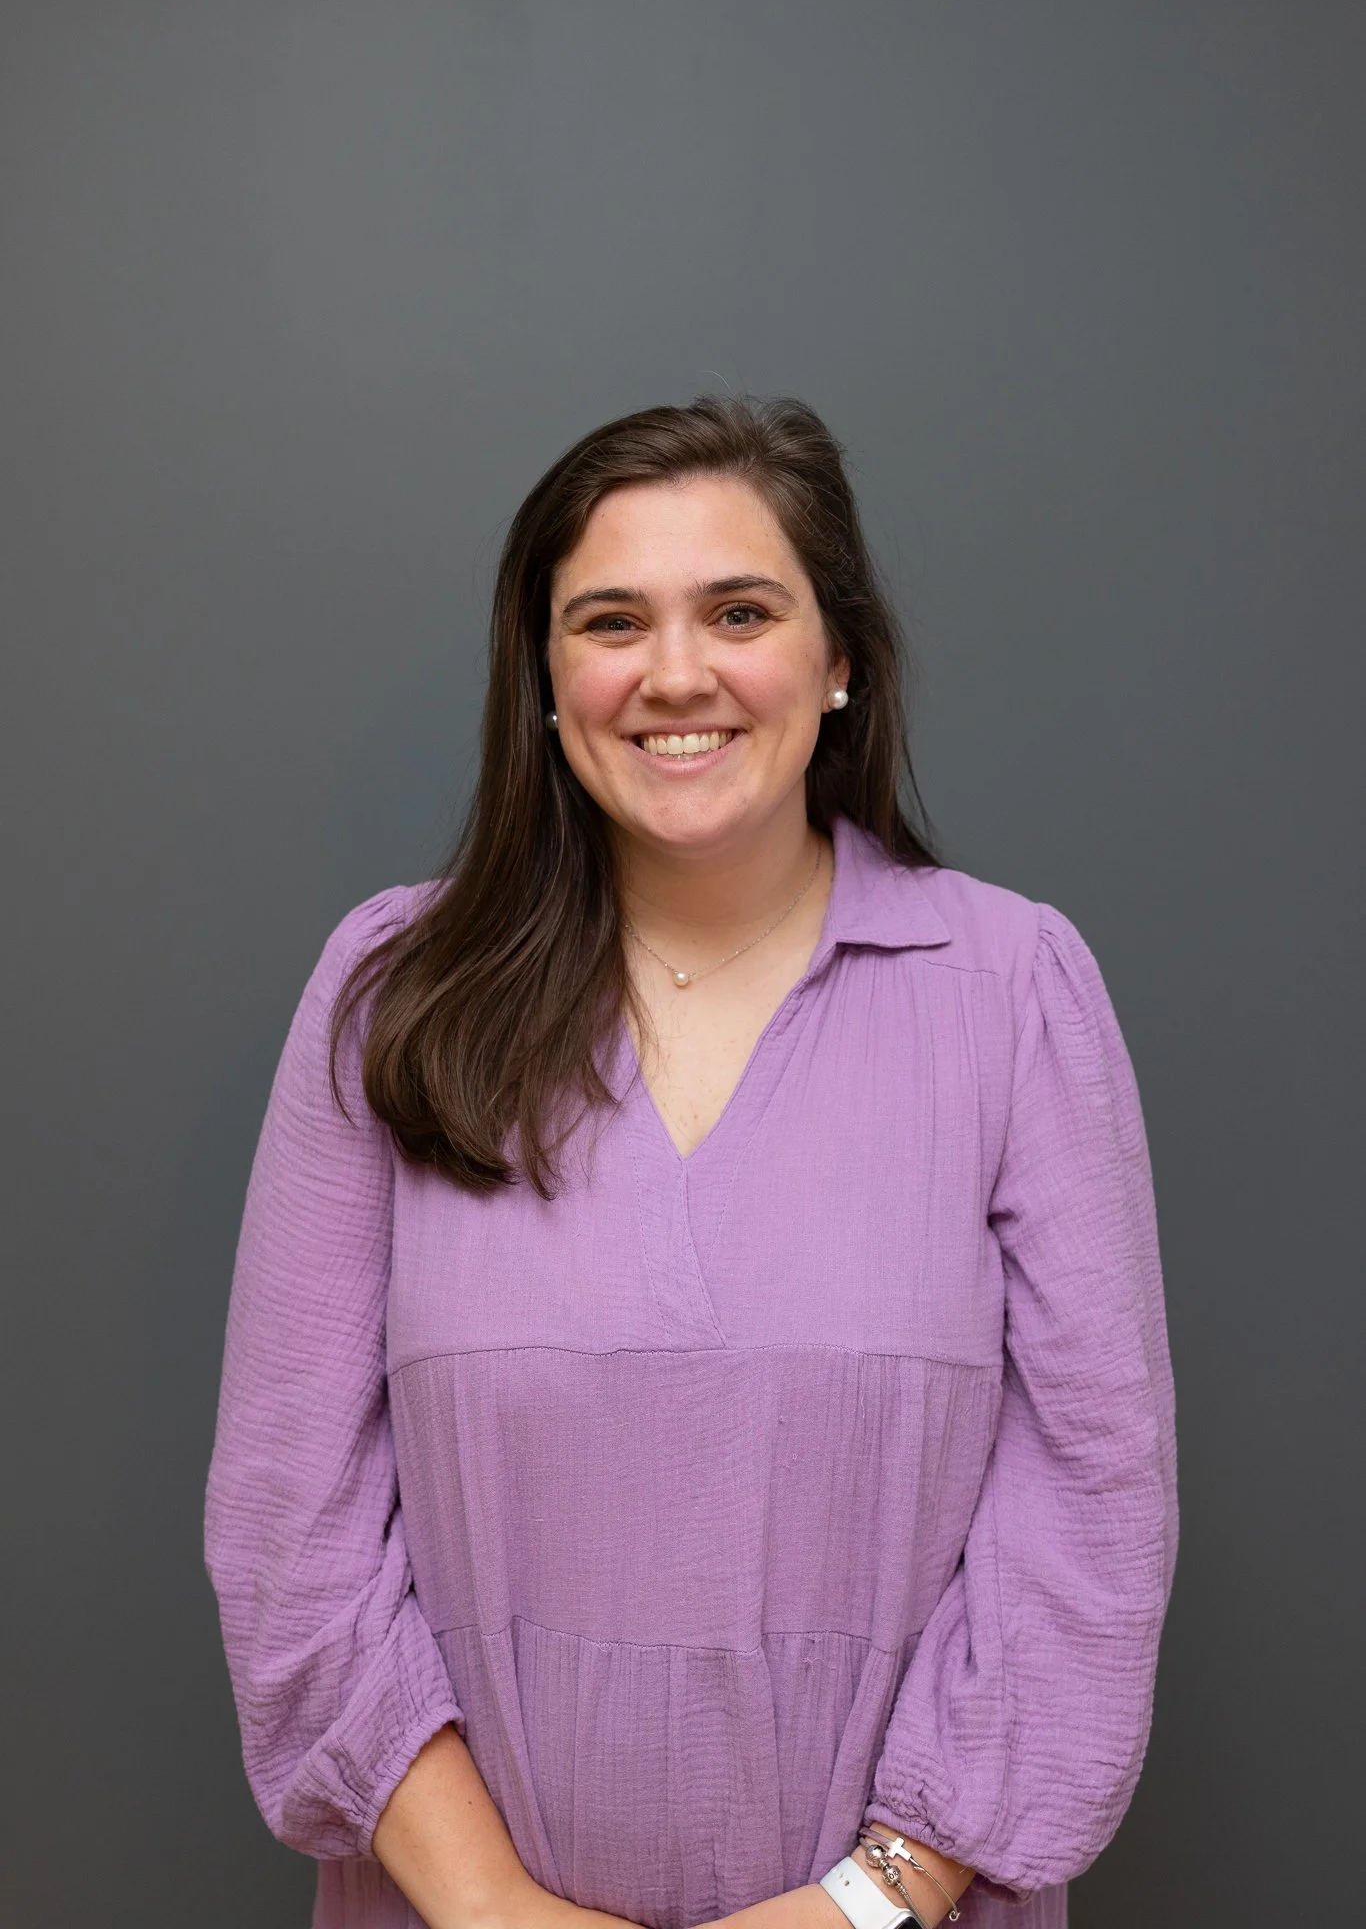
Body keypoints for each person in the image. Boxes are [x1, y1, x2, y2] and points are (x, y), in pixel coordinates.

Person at [205, 395, 1177, 1929]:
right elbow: (287, 1518)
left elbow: (1091, 1509)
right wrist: (490, 1910)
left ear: (838, 656)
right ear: (542, 675)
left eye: (739, 610)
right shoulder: (392, 990)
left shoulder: (1012, 989)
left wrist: (869, 1901)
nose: (675, 673)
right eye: (610, 620)